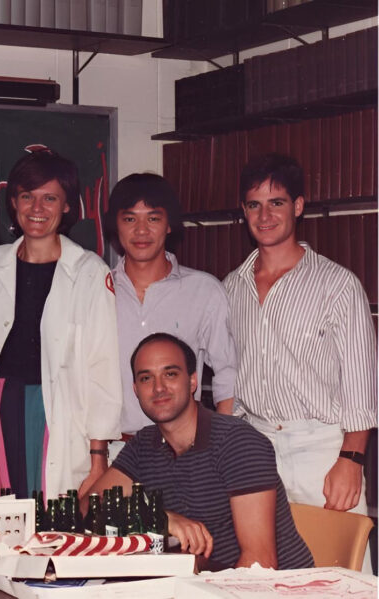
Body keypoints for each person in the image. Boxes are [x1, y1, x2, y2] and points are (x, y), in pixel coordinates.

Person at [0, 149, 122, 501]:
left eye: (49, 198)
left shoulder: (89, 271)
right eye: (27, 197)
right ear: (14, 203)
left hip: (56, 413)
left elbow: (102, 370)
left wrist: (98, 457)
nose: (37, 209)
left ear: (67, 206)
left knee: (48, 517)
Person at [224, 153, 376, 515]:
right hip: (254, 450)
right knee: (260, 569)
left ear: (298, 206)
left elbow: (361, 383)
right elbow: (231, 377)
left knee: (336, 569)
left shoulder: (337, 285)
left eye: (276, 203)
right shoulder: (231, 288)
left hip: (321, 453)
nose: (265, 216)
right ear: (243, 211)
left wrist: (351, 460)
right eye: (254, 205)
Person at [90, 333, 313, 570]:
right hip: (203, 584)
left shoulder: (238, 442)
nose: (158, 388)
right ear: (136, 389)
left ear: (193, 381)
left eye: (170, 374)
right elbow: (89, 506)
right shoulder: (143, 445)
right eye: (146, 378)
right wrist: (157, 517)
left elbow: (259, 564)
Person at [105, 173, 237, 459]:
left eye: (153, 218)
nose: (141, 231)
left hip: (184, 452)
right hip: (112, 453)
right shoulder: (99, 291)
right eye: (130, 219)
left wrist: (218, 446)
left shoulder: (204, 290)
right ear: (115, 225)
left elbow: (228, 372)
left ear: (169, 226)